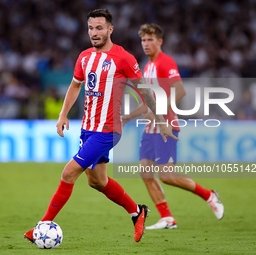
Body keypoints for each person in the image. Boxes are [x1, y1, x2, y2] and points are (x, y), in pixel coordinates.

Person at [24, 10, 177, 243]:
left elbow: (145, 91)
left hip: (108, 130)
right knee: (97, 181)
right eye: (91, 28)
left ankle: (41, 226)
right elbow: (75, 86)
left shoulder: (123, 58)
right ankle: (138, 212)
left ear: (110, 30)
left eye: (99, 28)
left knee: (68, 172)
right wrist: (63, 114)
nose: (94, 33)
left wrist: (161, 120)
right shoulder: (84, 56)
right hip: (87, 128)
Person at [122, 24, 224, 230]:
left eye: (150, 40)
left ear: (160, 41)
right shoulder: (147, 66)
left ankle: (209, 195)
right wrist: (129, 116)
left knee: (167, 175)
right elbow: (148, 102)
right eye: (143, 40)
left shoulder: (165, 62)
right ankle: (167, 218)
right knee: (146, 173)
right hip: (150, 128)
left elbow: (180, 92)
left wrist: (158, 108)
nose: (146, 44)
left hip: (165, 126)